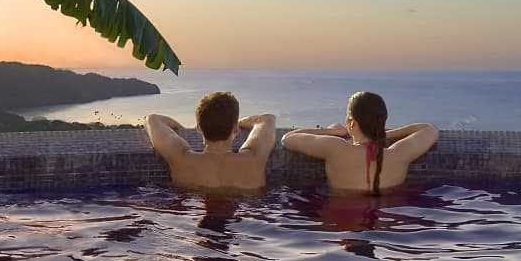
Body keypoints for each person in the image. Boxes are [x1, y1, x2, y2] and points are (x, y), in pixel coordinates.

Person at [281, 91, 438, 195]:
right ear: (383, 121)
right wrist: (382, 135)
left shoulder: (335, 148)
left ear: (351, 123)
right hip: (386, 225)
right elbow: (428, 129)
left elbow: (287, 138)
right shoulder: (400, 153)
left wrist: (333, 132)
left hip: (340, 222)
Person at [144, 91, 276, 191]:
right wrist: (235, 123)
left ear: (199, 128)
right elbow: (266, 119)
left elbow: (152, 119)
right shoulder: (254, 158)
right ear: (235, 128)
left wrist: (183, 129)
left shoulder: (181, 158)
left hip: (191, 218)